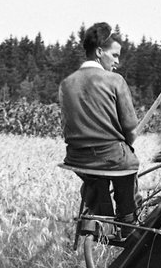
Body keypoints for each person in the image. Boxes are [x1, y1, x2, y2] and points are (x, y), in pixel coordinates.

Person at [59, 22, 140, 231]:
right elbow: (131, 126)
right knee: (128, 169)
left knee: (95, 179)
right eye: (114, 55)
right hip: (111, 157)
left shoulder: (67, 83)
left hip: (77, 158)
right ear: (99, 52)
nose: (117, 62)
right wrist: (127, 145)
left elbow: (66, 124)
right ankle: (128, 223)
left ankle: (100, 217)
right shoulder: (114, 80)